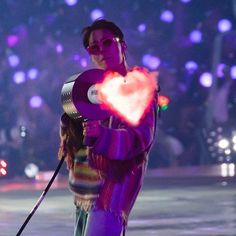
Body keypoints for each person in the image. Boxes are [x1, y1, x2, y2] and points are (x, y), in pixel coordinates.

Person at [58, 19, 157, 236]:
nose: (101, 50)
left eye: (107, 42)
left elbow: (140, 138)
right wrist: (71, 121)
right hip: (84, 194)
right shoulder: (88, 89)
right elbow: (73, 144)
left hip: (113, 192)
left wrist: (102, 135)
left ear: (122, 45)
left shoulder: (137, 87)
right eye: (94, 47)